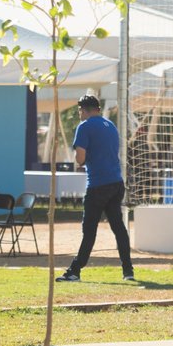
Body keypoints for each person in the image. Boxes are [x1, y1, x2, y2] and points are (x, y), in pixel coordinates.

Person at [57, 94, 135, 283]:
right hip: (116, 183)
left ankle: (75, 271)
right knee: (119, 228)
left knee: (89, 230)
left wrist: (80, 158)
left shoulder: (84, 127)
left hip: (98, 184)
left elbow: (81, 158)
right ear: (98, 109)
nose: (79, 115)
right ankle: (128, 271)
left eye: (79, 112)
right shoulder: (111, 126)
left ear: (83, 110)